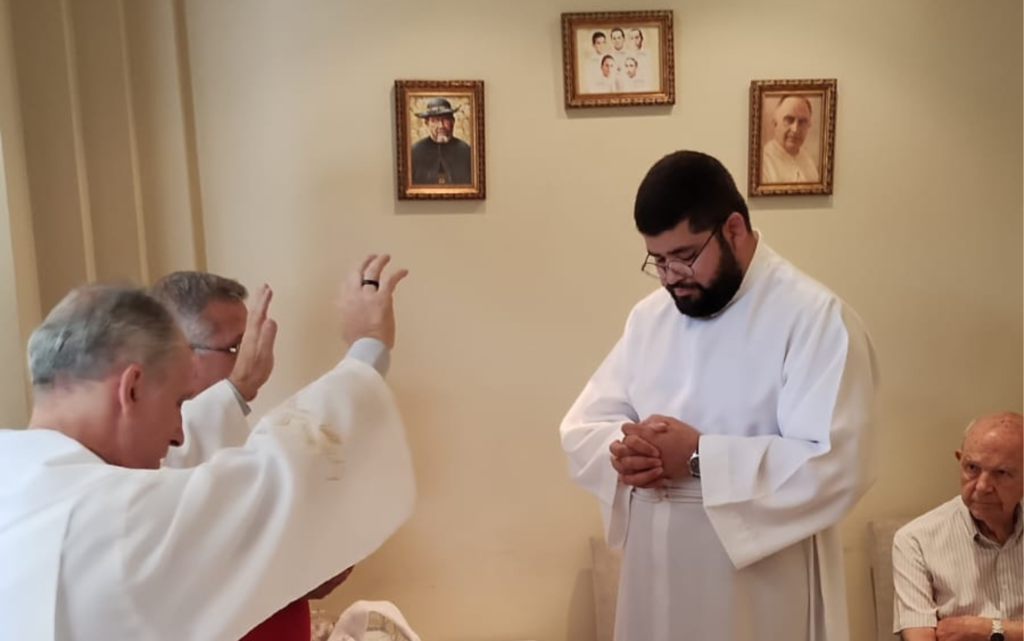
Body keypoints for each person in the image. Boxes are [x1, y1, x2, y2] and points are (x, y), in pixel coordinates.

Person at [0, 254, 415, 641]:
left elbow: (183, 462)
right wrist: (368, 348)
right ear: (132, 388)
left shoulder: (21, 477)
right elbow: (273, 482)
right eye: (177, 403)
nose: (179, 433)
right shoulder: (117, 520)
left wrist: (239, 388)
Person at [560, 151, 878, 641]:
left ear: (733, 229)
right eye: (658, 261)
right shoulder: (649, 318)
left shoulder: (813, 318)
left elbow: (837, 464)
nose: (671, 276)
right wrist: (626, 453)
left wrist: (698, 458)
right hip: (654, 578)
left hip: (759, 591)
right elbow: (584, 427)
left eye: (685, 256)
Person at [151, 271, 355, 641]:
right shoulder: (145, 452)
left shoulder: (226, 427)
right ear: (179, 353)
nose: (253, 356)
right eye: (236, 347)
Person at [892, 411, 1023, 641]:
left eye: (1001, 473)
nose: (982, 486)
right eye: (972, 468)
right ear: (959, 460)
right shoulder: (915, 540)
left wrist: (987, 629)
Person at [409, 98, 472, 186]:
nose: (441, 126)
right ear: (427, 123)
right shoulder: (415, 152)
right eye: (435, 121)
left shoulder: (466, 151)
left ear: (453, 121)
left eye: (445, 120)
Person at [761, 95, 820, 183]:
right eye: (789, 120)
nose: (795, 129)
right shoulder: (763, 163)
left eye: (802, 122)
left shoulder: (809, 163)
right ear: (775, 123)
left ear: (809, 126)